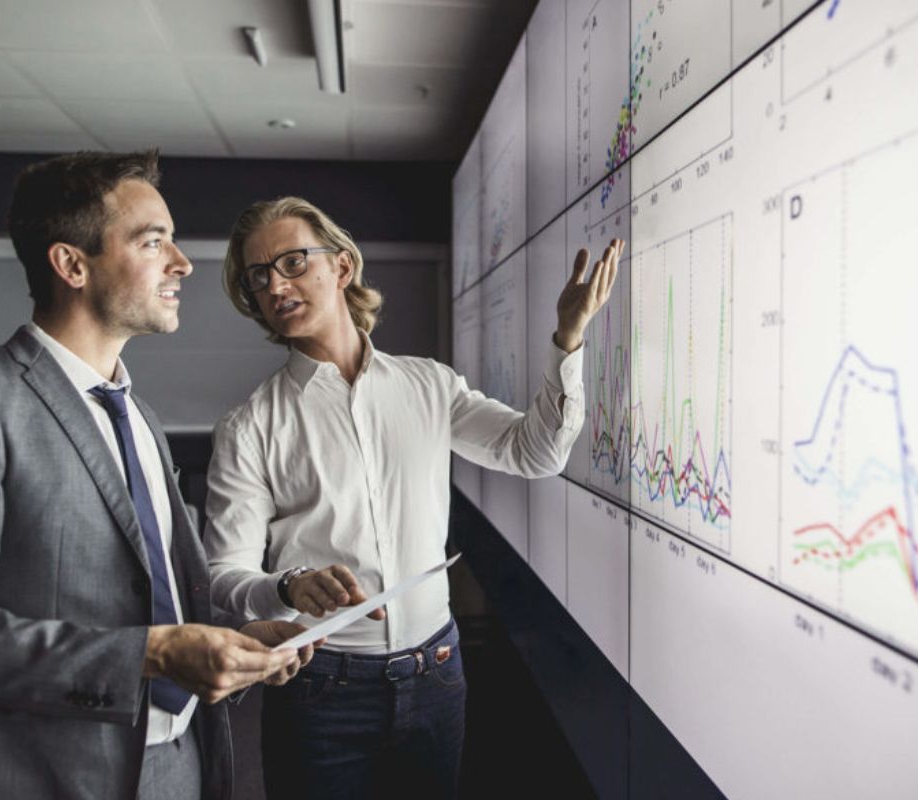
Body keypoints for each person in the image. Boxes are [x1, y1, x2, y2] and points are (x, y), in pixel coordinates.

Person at [0, 150, 318, 800]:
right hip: (39, 776)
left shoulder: (137, 415)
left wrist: (237, 638)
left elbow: (146, 592)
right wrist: (152, 655)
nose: (182, 263)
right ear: (72, 265)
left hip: (179, 761)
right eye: (153, 241)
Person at [202, 195, 621, 799]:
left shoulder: (429, 384)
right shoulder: (250, 426)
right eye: (258, 276)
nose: (276, 285)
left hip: (436, 676)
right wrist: (289, 586)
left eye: (293, 263)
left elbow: (536, 453)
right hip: (321, 689)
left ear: (342, 266)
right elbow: (224, 574)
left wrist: (568, 339)